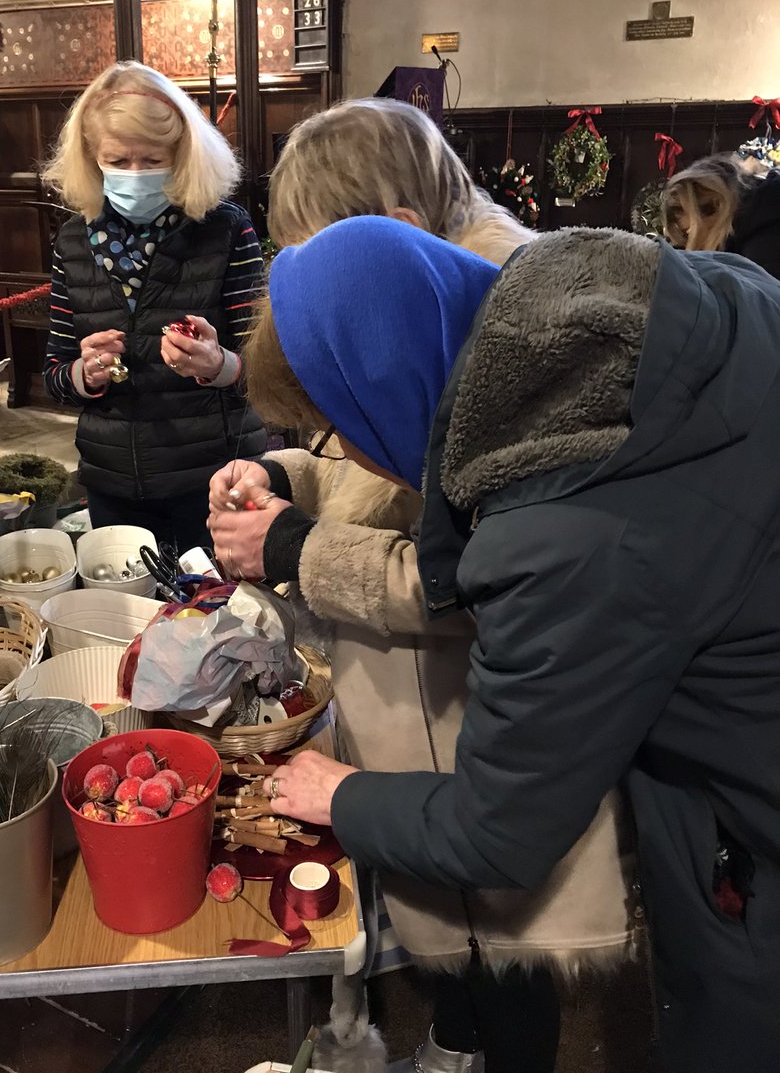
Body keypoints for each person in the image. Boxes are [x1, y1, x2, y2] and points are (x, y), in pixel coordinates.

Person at [235, 213, 780, 1073]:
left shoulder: (557, 532)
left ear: (380, 394)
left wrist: (339, 793)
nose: (341, 453)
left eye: (334, 430)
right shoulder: (588, 298)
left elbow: (499, 830)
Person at [209, 101, 635, 1073]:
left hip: (491, 718)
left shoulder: (516, 346)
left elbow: (469, 576)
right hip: (419, 710)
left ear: (390, 231)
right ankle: (453, 1040)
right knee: (455, 937)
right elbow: (367, 472)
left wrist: (294, 552)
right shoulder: (424, 303)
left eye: (315, 249)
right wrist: (285, 478)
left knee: (513, 944)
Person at [41, 60, 265, 546]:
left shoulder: (226, 229)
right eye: (118, 162)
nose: (136, 175)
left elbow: (270, 373)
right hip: (113, 480)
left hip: (213, 476)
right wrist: (85, 373)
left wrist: (219, 364)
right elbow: (55, 376)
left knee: (218, 612)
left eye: (152, 159)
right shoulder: (73, 241)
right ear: (90, 157)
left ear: (182, 154)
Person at [663, 152, 780, 278]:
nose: (692, 240)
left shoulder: (764, 247)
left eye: (690, 231)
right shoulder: (756, 219)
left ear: (717, 205)